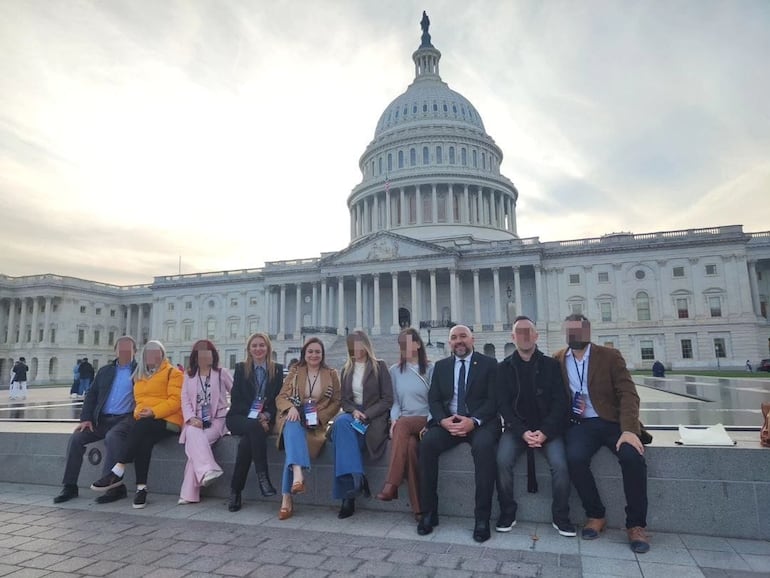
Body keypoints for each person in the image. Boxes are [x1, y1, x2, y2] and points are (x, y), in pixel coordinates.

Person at [553, 314, 650, 553]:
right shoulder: (557, 359)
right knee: (574, 459)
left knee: (632, 457)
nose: (575, 335)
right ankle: (595, 514)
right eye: (570, 331)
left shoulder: (609, 356)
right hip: (581, 425)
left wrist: (629, 430)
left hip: (612, 422)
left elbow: (628, 394)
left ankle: (636, 524)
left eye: (579, 330)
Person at [417, 324, 500, 543]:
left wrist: (473, 421)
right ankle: (429, 512)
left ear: (472, 340)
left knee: (484, 449)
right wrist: (442, 420)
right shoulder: (442, 366)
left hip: (479, 423)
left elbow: (494, 400)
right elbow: (434, 399)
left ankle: (482, 518)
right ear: (450, 342)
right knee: (426, 446)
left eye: (463, 336)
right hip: (449, 423)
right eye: (454, 337)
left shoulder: (489, 364)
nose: (458, 341)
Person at [496, 316, 574, 537]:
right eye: (519, 331)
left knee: (560, 465)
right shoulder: (504, 368)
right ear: (513, 337)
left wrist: (546, 431)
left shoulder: (551, 365)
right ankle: (507, 512)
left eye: (528, 331)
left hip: (547, 429)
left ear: (536, 335)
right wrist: (522, 432)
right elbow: (503, 405)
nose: (524, 335)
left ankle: (561, 516)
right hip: (516, 430)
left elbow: (561, 402)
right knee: (502, 461)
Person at [90, 340, 183, 509]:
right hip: (147, 422)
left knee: (142, 425)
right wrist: (140, 411)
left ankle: (118, 469)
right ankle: (141, 489)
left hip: (170, 421)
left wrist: (153, 412)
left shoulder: (173, 373)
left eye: (156, 352)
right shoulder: (139, 375)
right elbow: (139, 400)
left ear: (162, 355)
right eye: (148, 353)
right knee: (144, 442)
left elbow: (176, 401)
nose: (152, 356)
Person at [53, 337, 138, 504]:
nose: (125, 352)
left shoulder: (140, 371)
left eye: (129, 349)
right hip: (102, 420)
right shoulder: (105, 371)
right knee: (77, 438)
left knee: (112, 438)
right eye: (121, 349)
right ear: (115, 351)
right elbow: (91, 395)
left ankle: (112, 488)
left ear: (135, 351)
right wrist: (85, 418)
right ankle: (70, 486)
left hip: (125, 419)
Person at [274, 337, 341, 520]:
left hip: (314, 424)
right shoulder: (296, 371)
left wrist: (322, 417)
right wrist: (291, 408)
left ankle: (288, 496)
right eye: (310, 351)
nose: (313, 355)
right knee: (292, 425)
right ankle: (297, 476)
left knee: (292, 445)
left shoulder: (331, 373)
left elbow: (336, 402)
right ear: (304, 353)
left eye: (317, 352)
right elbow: (281, 397)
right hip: (293, 417)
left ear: (322, 354)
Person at [331, 330, 393, 519]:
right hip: (353, 415)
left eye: (359, 344)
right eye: (352, 345)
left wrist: (367, 413)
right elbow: (344, 400)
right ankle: (357, 477)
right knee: (341, 422)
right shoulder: (346, 369)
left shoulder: (379, 366)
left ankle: (348, 497)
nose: (356, 349)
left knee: (343, 443)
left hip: (373, 418)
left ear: (366, 345)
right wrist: (353, 411)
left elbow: (387, 399)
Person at [377, 327, 433, 520]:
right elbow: (395, 403)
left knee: (402, 425)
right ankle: (419, 509)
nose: (405, 347)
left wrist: (431, 423)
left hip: (425, 419)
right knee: (409, 449)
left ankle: (391, 483)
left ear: (417, 344)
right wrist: (393, 420)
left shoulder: (431, 369)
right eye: (401, 344)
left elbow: (435, 401)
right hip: (405, 422)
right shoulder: (395, 371)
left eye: (408, 342)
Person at [226, 332, 283, 512]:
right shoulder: (241, 368)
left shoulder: (278, 370)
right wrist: (257, 416)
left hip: (263, 421)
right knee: (253, 427)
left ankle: (235, 491)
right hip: (239, 418)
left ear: (268, 348)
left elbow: (278, 400)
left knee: (246, 444)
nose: (258, 349)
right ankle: (263, 477)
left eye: (261, 345)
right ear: (249, 349)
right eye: (254, 346)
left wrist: (266, 416)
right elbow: (237, 400)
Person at [178, 339, 233, 504]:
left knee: (195, 446)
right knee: (193, 433)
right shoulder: (189, 376)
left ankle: (190, 492)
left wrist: (234, 413)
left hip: (217, 420)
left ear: (213, 356)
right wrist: (191, 418)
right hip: (195, 420)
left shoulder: (221, 373)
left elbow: (237, 392)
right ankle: (208, 470)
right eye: (199, 355)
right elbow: (185, 399)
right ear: (194, 357)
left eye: (206, 354)